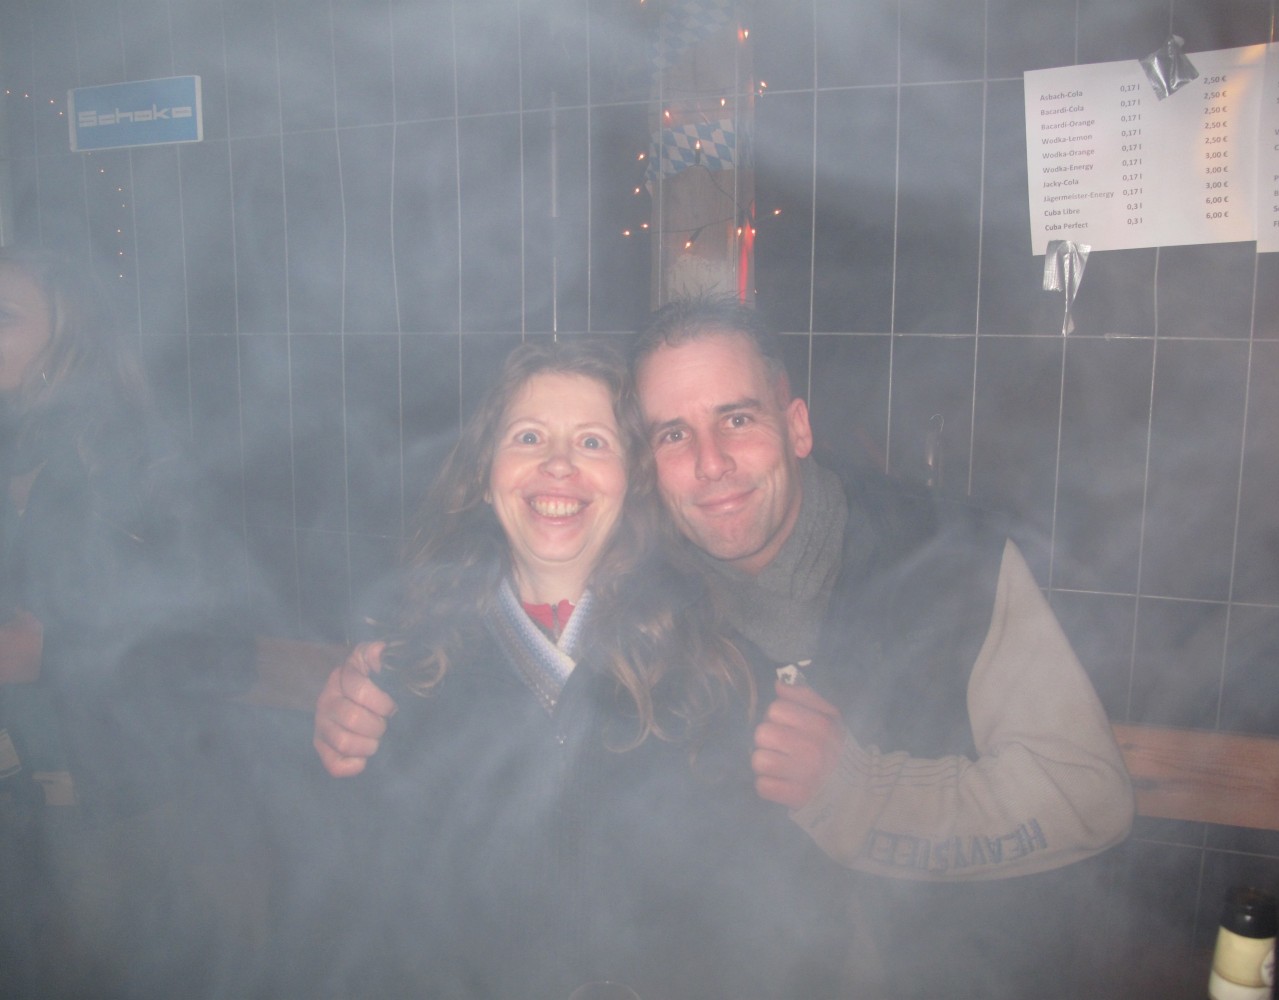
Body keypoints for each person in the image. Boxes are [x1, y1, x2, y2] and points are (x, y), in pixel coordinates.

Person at [315, 296, 1135, 998]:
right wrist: (379, 683)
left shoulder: (953, 562)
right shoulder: (658, 604)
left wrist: (862, 794)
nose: (711, 464)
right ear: (648, 469)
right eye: (673, 434)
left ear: (796, 425)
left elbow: (1089, 797)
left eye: (737, 419)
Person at [302, 339, 847, 1000]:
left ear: (633, 482)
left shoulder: (720, 674)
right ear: (485, 473)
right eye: (529, 437)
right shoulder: (402, 681)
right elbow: (361, 923)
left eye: (592, 442)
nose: (558, 463)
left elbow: (775, 924)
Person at [0, 246, 258, 997]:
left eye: (4, 317)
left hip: (136, 803)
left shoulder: (130, 458)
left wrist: (46, 651)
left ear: (68, 335)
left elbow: (221, 646)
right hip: (30, 801)